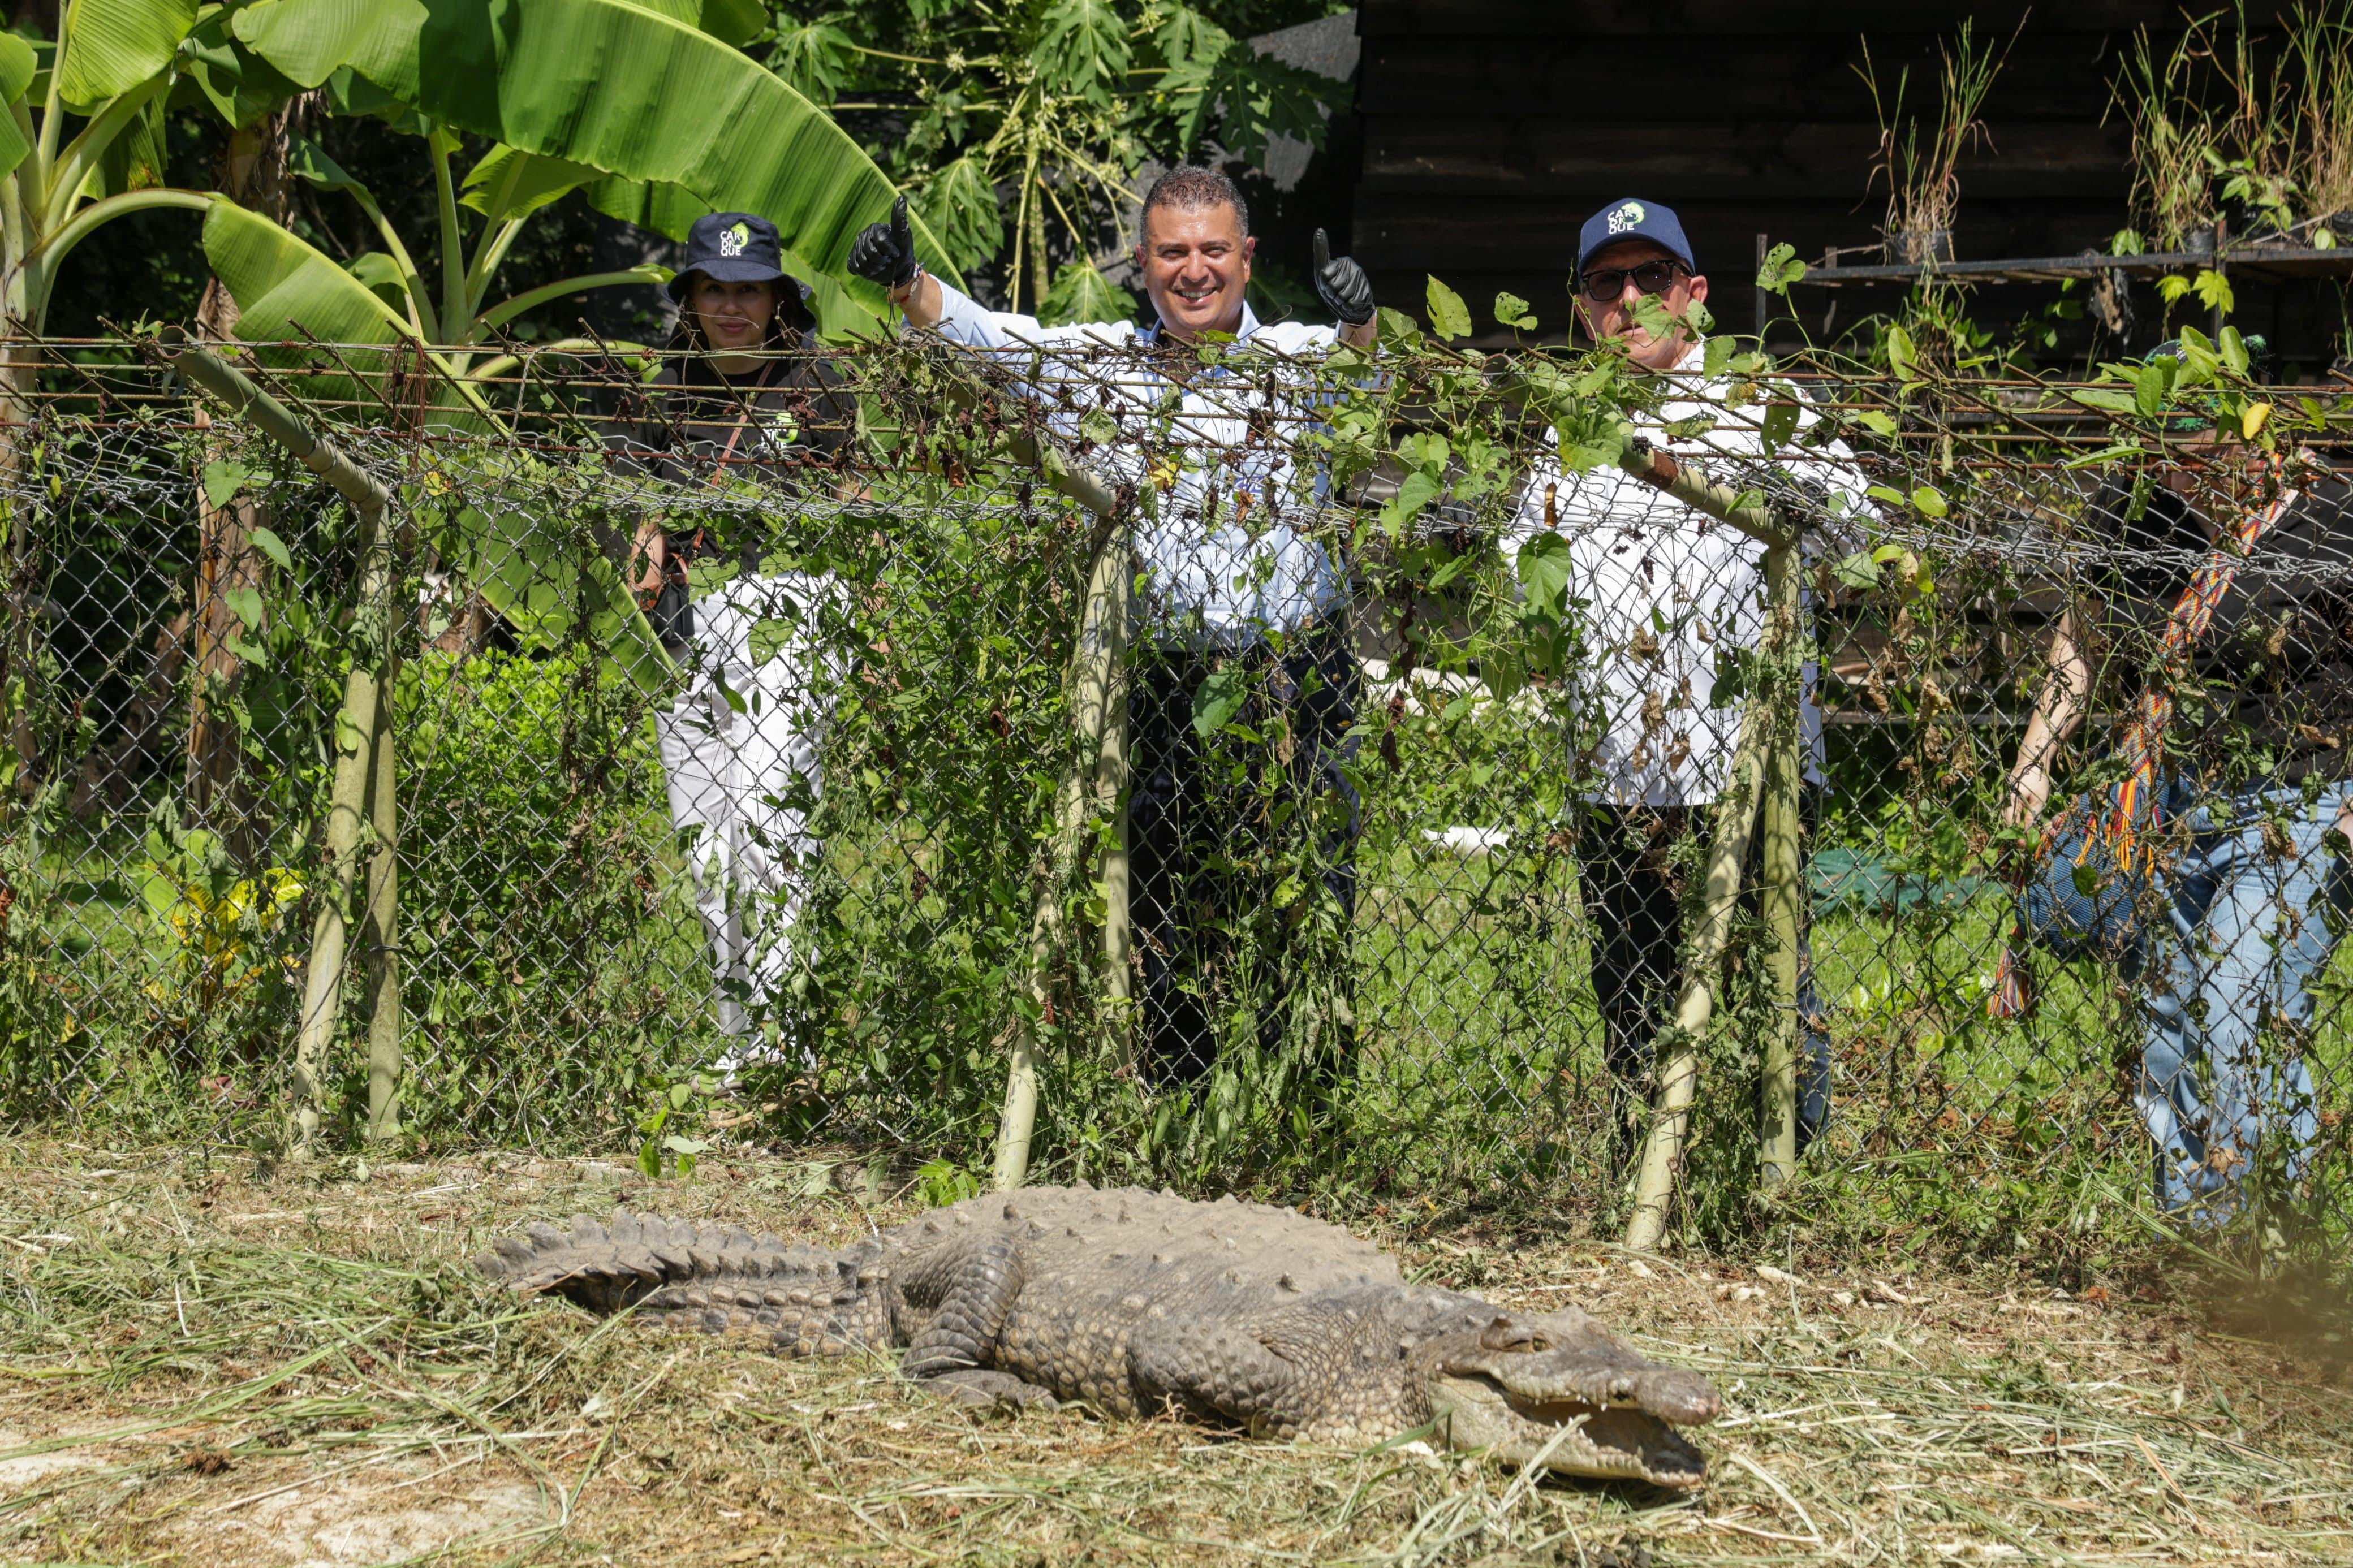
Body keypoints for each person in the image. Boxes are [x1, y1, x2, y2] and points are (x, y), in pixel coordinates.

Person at [846, 168, 1377, 1102]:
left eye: (1215, 249)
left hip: (1299, 675)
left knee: (1309, 897)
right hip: (1167, 678)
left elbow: (1364, 371)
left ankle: (1309, 1112)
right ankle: (1174, 1107)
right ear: (1142, 263)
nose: (1195, 269)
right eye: (1173, 251)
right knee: (1166, 901)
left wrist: (1362, 317)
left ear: (1248, 258)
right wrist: (909, 287)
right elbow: (996, 345)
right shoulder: (1105, 365)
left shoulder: (1298, 357)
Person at [1508, 197, 1861, 1167]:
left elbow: (1854, 531)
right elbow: (1522, 574)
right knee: (1629, 987)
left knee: (1767, 984)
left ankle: (1784, 1176)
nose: (1630, 300)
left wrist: (1784, 502)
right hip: (1615, 764)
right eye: (1605, 284)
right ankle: (1648, 1174)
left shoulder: (1761, 401)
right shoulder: (1569, 430)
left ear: (1695, 295)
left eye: (1650, 277)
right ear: (1583, 311)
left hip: (1748, 759)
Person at [2002, 375, 2350, 1220]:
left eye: (2193, 456)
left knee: (2240, 1003)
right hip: (2179, 799)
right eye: (2162, 458)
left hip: (2301, 805)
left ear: (2251, 431)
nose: (2177, 479)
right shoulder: (2142, 509)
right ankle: (2198, 1228)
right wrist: (2034, 763)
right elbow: (2078, 638)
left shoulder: (2335, 512)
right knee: (2166, 1009)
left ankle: (2273, 1232)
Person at [606, 211, 859, 1057]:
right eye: (717, 287)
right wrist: (640, 536)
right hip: (680, 624)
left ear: (779, 299)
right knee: (707, 845)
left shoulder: (815, 380)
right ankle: (737, 1037)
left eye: (750, 290)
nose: (733, 306)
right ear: (693, 297)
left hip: (787, 613)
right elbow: (629, 491)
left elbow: (860, 501)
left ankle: (791, 1042)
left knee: (770, 830)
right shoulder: (663, 379)